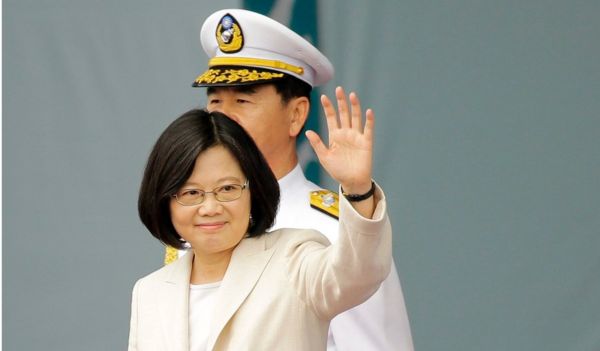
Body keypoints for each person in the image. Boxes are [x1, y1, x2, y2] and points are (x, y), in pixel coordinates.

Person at [187, 9, 414, 350]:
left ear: (295, 115)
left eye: (243, 100)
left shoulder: (339, 231)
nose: (223, 117)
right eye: (215, 100)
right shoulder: (196, 222)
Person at [129, 89, 392, 350]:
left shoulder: (293, 260)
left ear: (253, 191)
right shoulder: (149, 292)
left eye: (228, 189)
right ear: (165, 200)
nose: (210, 207)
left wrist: (358, 190)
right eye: (191, 193)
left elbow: (358, 274)